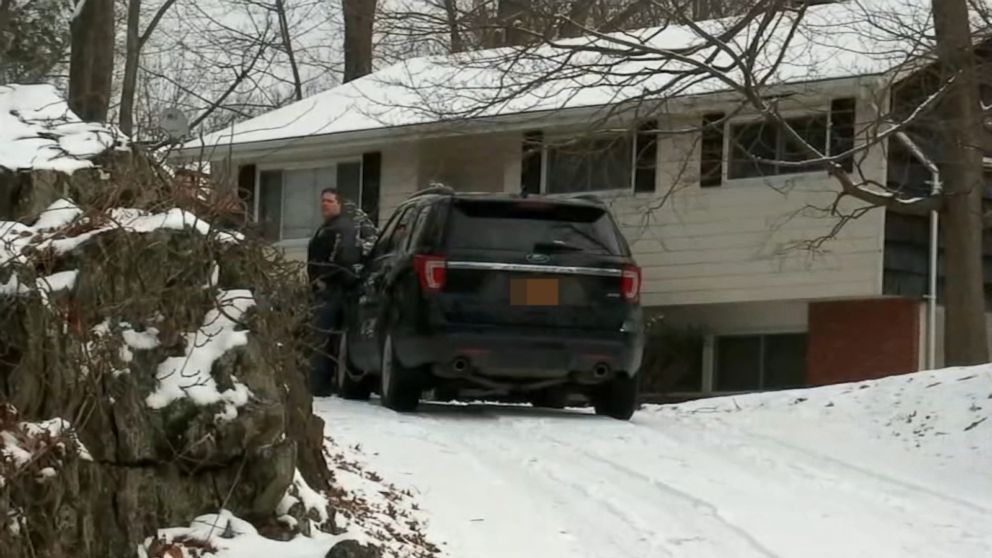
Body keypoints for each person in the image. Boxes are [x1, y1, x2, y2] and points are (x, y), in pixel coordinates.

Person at [308, 188, 361, 396]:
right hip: (327, 289)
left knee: (323, 336)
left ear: (339, 204)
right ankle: (321, 382)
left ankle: (319, 384)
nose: (325, 204)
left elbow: (343, 260)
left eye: (329, 201)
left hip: (334, 291)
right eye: (323, 201)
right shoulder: (328, 227)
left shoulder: (341, 229)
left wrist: (325, 280)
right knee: (323, 337)